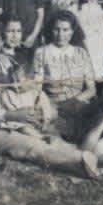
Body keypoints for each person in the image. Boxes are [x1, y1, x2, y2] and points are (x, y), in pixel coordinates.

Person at [0, 19, 99, 178]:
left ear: (2, 41)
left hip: (19, 119)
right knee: (31, 146)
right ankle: (79, 162)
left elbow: (25, 91)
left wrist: (32, 108)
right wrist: (12, 115)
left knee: (50, 138)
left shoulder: (6, 61)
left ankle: (85, 158)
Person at [30, 10, 96, 140]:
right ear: (51, 30)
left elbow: (91, 89)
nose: (61, 35)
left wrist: (75, 102)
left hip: (78, 104)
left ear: (72, 31)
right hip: (52, 106)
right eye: (57, 29)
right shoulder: (41, 53)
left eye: (65, 30)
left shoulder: (81, 53)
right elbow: (36, 89)